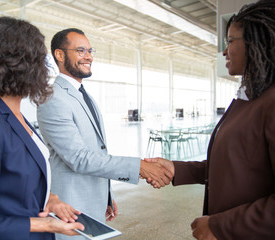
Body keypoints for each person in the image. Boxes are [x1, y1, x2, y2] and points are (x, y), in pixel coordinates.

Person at [0, 17, 85, 240]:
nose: (45, 66)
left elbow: (12, 183)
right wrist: (45, 225)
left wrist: (50, 199)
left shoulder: (14, 114)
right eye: (40, 59)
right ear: (22, 65)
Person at [147, 1, 275, 239]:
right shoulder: (248, 98)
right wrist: (179, 169)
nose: (224, 51)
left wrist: (222, 226)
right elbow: (238, 163)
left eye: (230, 41)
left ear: (257, 42)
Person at [36, 28, 173, 239]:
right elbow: (79, 158)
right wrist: (140, 167)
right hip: (70, 207)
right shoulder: (54, 98)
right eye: (80, 50)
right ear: (60, 54)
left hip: (91, 201)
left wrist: (105, 196)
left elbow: (96, 150)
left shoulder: (83, 95)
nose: (89, 56)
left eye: (90, 50)